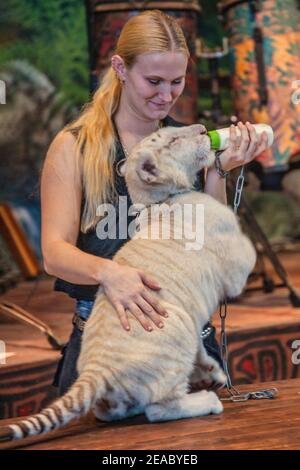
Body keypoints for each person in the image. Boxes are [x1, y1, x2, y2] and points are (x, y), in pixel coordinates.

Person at [41, 10, 269, 396]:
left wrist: (218, 171)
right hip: (110, 342)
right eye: (153, 81)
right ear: (120, 68)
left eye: (177, 81)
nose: (166, 95)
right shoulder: (75, 146)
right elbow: (54, 254)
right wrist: (110, 273)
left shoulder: (189, 142)